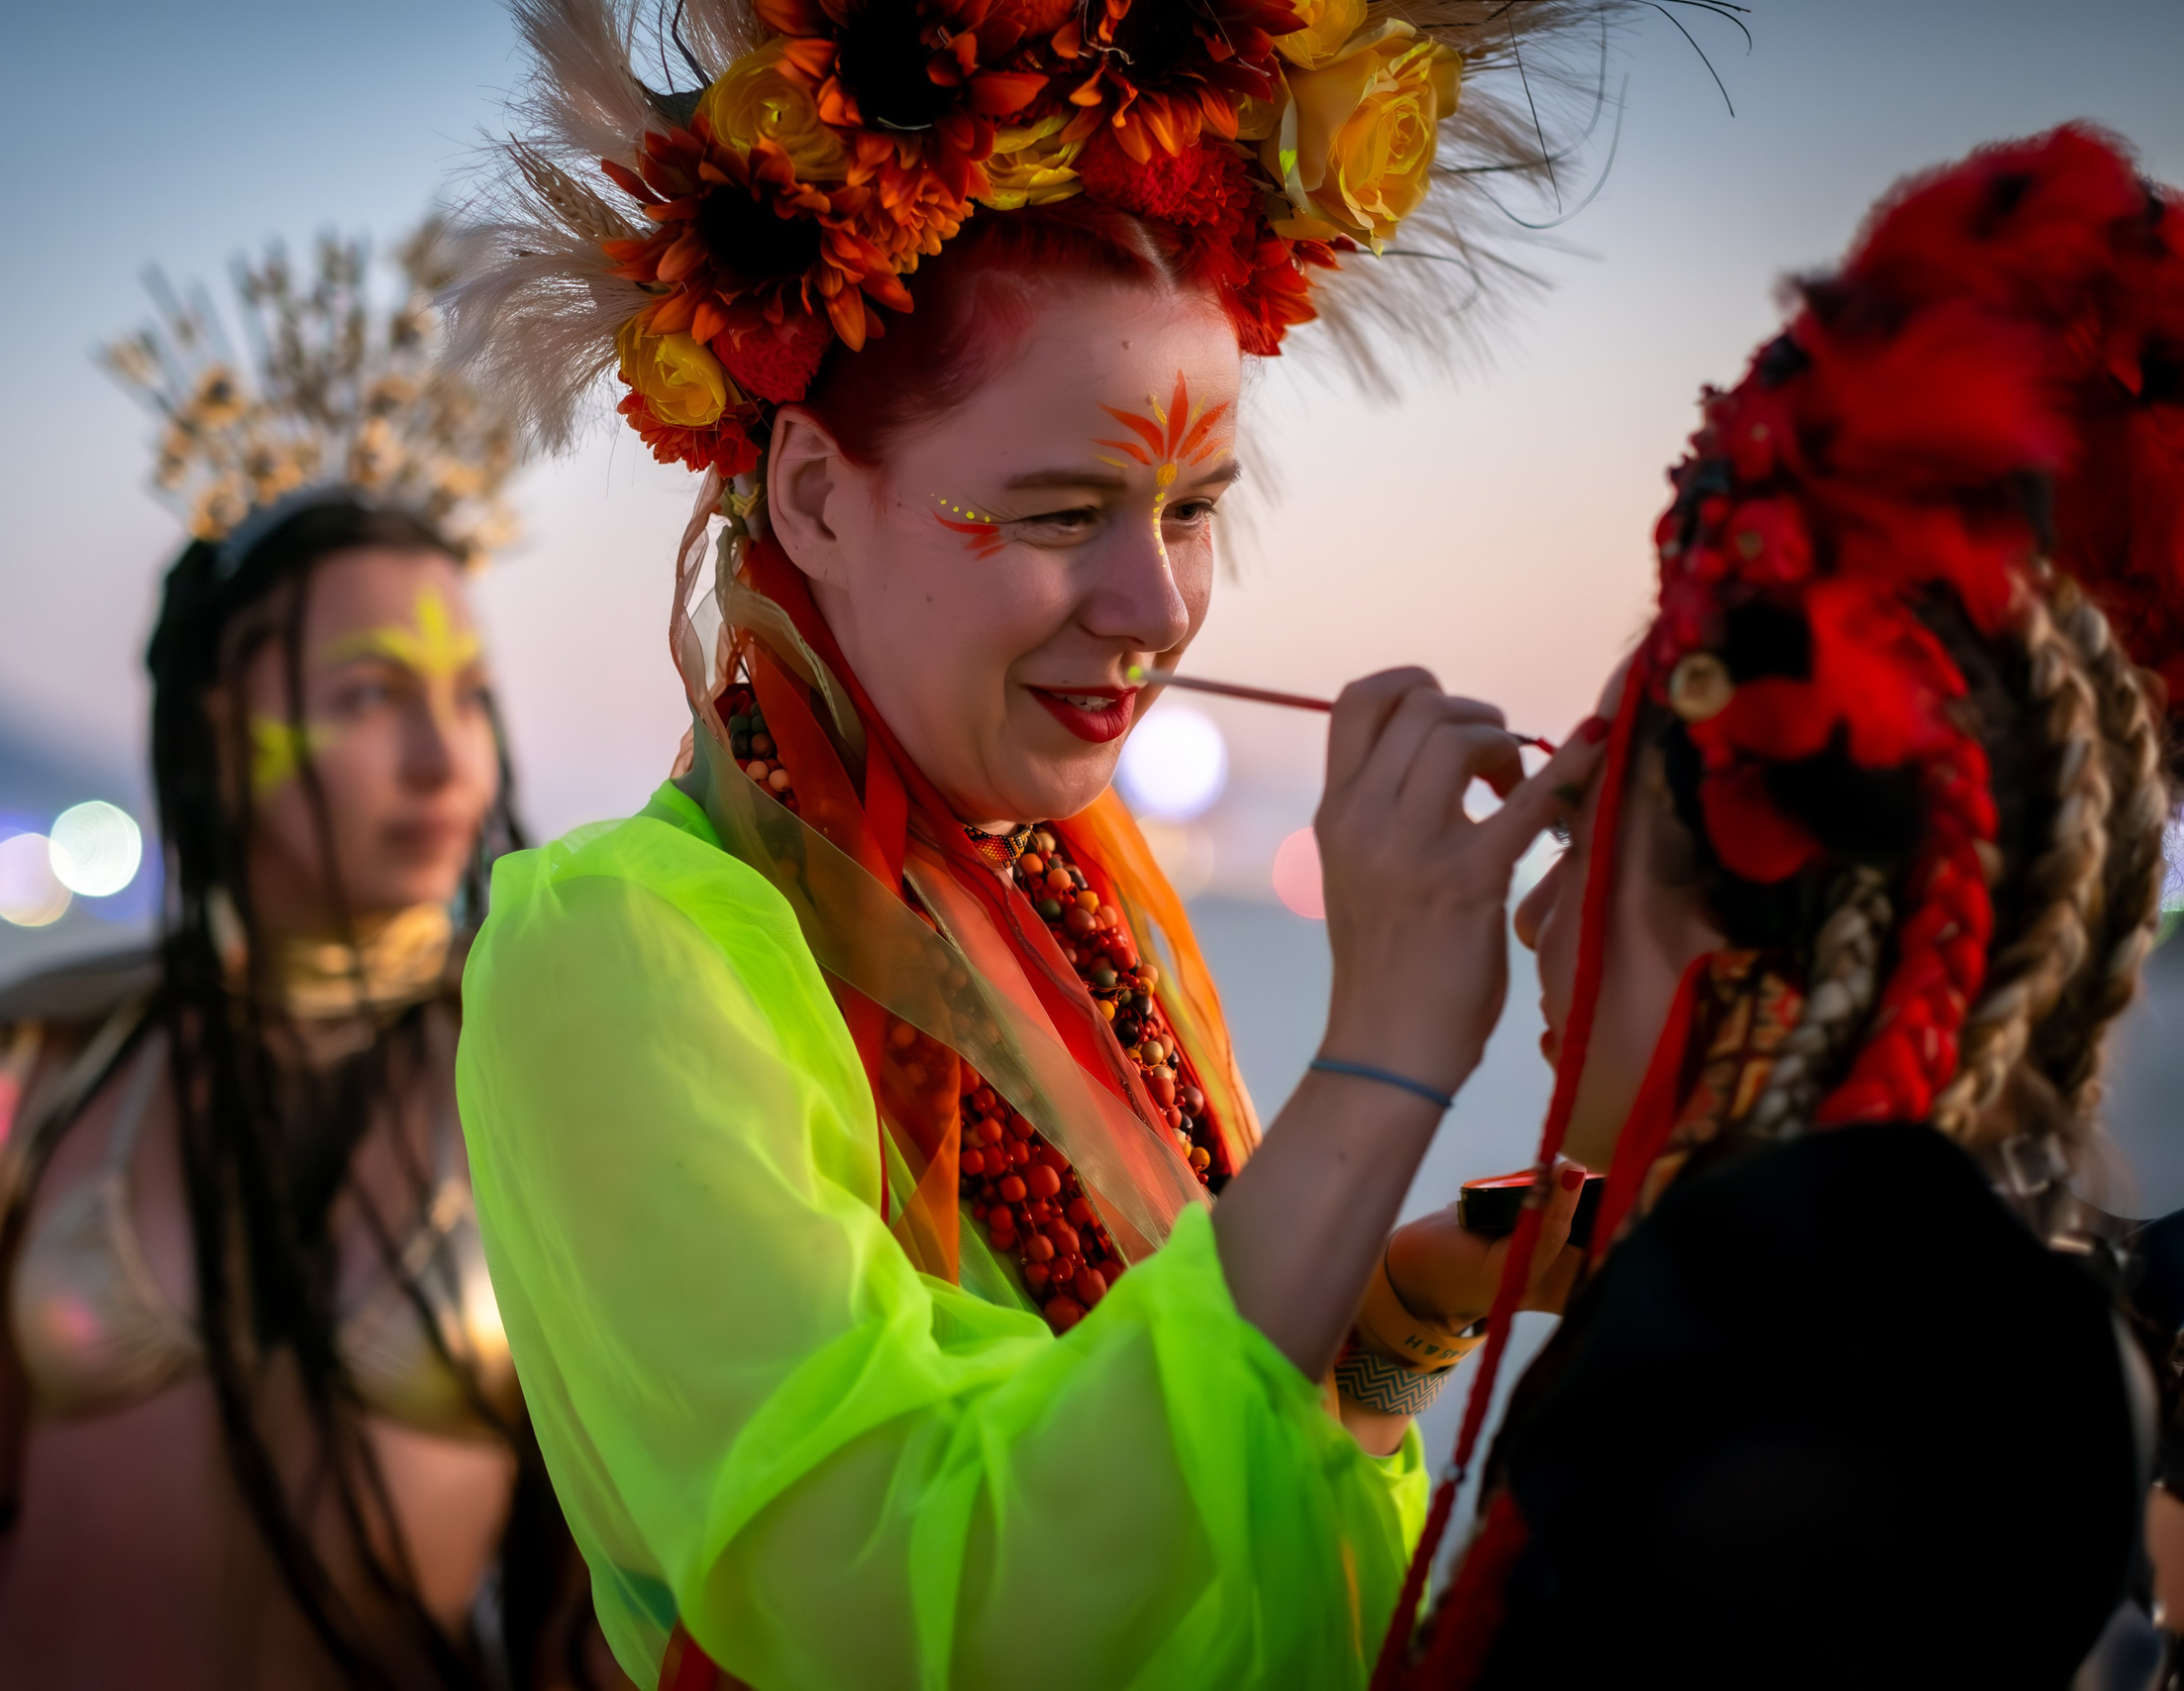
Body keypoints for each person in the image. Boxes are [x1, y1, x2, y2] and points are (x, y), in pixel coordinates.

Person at [440, 0, 1665, 1683]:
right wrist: (1378, 1063)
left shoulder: (1093, 897)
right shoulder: (621, 952)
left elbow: (1251, 1587)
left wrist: (1390, 1319)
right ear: (809, 497)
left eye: (1192, 509)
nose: (1153, 608)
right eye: (1061, 515)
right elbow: (905, 1605)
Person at [1379, 127, 2182, 1690]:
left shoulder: (1747, 1459)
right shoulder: (2024, 1332)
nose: (1534, 920)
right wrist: (1416, 1294)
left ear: (1758, 923)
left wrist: (1377, 1110)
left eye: (1584, 826)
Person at [0, 229, 618, 1689]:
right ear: (212, 740)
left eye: (468, 697)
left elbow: (584, 1620)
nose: (445, 758)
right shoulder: (48, 1079)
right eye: (369, 696)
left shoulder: (551, 1102)